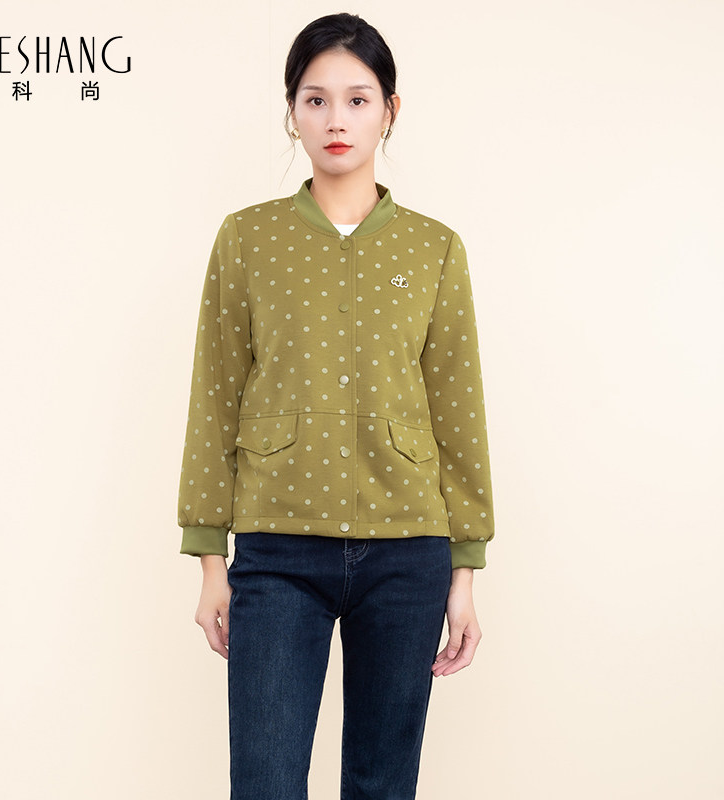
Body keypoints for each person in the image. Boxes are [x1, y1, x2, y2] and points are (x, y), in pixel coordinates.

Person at [176, 12, 495, 799]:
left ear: (390, 109)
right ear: (292, 111)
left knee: (383, 785)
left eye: (357, 99)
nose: (336, 120)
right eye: (315, 100)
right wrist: (212, 560)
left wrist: (464, 571)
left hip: (408, 552)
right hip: (278, 550)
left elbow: (457, 408)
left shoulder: (435, 248)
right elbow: (215, 394)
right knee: (265, 781)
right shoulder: (247, 239)